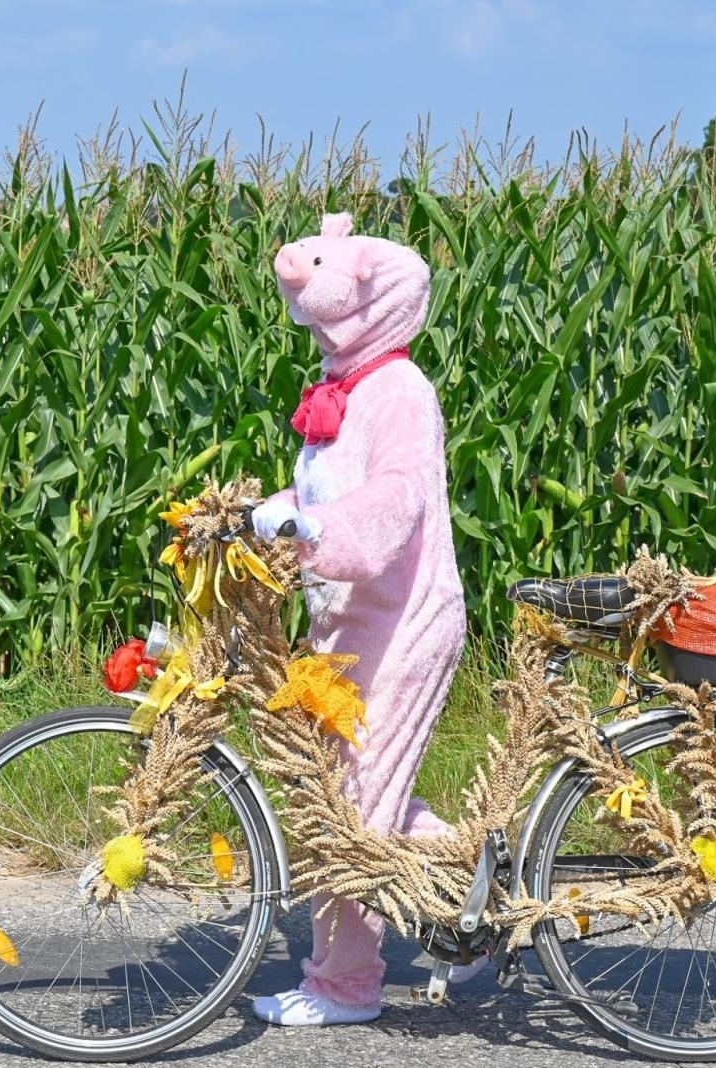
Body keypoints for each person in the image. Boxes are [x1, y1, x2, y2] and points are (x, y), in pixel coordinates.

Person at [247, 213, 470, 1026]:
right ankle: (475, 890)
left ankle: (346, 986)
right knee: (347, 792)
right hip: (349, 618)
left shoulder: (401, 390)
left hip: (404, 623)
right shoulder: (345, 390)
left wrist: (316, 531)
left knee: (354, 809)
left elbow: (396, 500)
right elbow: (325, 495)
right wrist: (260, 515)